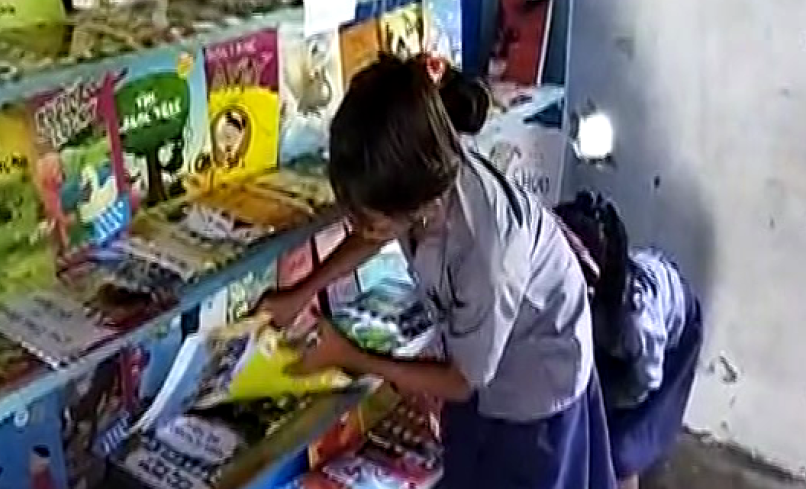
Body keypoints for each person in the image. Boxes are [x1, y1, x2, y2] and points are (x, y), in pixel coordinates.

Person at [256, 54, 617, 489]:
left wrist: (351, 357)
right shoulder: (421, 166)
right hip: (484, 353)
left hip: (538, 376)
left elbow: (462, 382)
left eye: (371, 219)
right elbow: (374, 232)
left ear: (420, 206)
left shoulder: (485, 252)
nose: (360, 229)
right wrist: (301, 291)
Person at [554, 191, 705, 489]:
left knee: (621, 450)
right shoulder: (572, 289)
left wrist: (603, 407)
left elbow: (644, 383)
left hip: (672, 341)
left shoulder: (637, 324)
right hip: (615, 332)